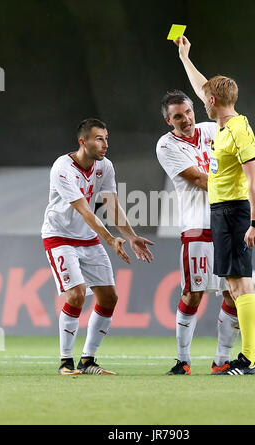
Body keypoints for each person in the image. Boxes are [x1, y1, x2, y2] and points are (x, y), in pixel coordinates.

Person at [173, 36, 255, 375]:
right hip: (221, 212)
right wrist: (184, 57)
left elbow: (253, 178)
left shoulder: (238, 129)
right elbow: (201, 86)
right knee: (235, 286)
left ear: (212, 100)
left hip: (236, 213)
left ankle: (250, 359)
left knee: (241, 286)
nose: (200, 102)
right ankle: (247, 357)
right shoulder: (222, 125)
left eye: (204, 99)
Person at [41, 118, 154, 375]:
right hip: (60, 237)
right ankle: (65, 362)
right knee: (76, 294)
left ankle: (88, 361)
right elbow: (85, 211)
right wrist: (111, 239)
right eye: (99, 139)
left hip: (87, 238)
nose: (105, 144)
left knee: (109, 298)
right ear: (83, 142)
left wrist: (131, 236)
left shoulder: (105, 167)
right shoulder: (63, 167)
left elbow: (112, 205)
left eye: (106, 139)